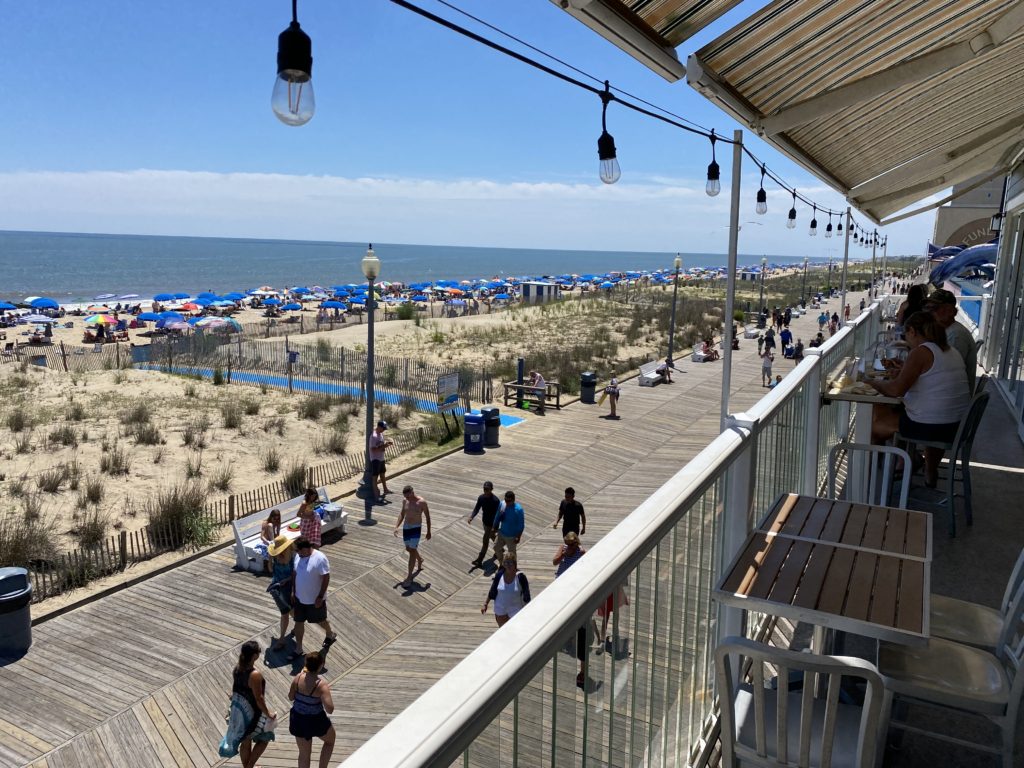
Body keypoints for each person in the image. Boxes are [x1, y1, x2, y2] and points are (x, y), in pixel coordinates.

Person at [868, 311, 969, 487]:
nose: (906, 341)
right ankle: (924, 467)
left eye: (906, 335)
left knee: (874, 426)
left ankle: (874, 484)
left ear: (913, 331)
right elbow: (932, 379)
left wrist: (871, 382)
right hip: (956, 426)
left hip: (932, 428)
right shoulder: (951, 350)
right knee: (889, 412)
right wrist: (903, 372)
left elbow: (895, 390)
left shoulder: (921, 352)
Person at [223, 641, 276, 768]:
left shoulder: (237, 668)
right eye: (259, 651)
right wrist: (268, 714)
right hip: (253, 714)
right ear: (254, 656)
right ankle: (249, 766)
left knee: (245, 742)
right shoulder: (255, 675)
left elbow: (237, 688)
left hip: (239, 712)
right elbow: (259, 699)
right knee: (266, 737)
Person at [552, 532, 590, 688]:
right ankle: (566, 636)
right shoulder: (563, 548)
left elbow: (589, 564)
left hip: (574, 588)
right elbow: (554, 562)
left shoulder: (581, 552)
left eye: (572, 544)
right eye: (568, 543)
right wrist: (562, 554)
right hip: (561, 586)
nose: (570, 546)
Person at [924, 288, 977, 394]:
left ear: (950, 310)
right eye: (927, 308)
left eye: (934, 308)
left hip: (951, 397)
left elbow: (947, 373)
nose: (929, 312)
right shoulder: (947, 330)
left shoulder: (956, 336)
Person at [288, 651, 336, 768]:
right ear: (321, 665)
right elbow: (330, 709)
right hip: (316, 720)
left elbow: (290, 697)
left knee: (304, 755)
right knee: (330, 741)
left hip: (298, 719)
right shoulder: (321, 685)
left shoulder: (298, 678)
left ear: (306, 664)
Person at [291, 538, 337, 658]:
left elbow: (326, 578)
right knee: (298, 622)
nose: (296, 553)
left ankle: (330, 634)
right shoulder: (298, 556)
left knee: (320, 621)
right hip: (299, 598)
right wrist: (293, 591)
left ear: (305, 548)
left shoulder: (320, 558)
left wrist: (320, 597)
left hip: (315, 599)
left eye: (298, 550)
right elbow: (295, 573)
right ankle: (299, 648)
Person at [394, 484, 431, 587]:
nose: (407, 498)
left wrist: (428, 531)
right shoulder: (405, 501)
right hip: (406, 527)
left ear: (412, 492)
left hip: (416, 528)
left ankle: (409, 577)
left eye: (408, 496)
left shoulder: (422, 503)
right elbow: (402, 513)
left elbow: (428, 517)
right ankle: (419, 559)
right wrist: (396, 526)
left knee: (412, 551)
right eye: (405, 497)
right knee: (409, 549)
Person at [480, 554, 531, 627]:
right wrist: (485, 604)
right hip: (500, 609)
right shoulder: (499, 574)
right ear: (503, 564)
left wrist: (528, 610)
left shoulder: (520, 576)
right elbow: (492, 591)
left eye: (510, 563)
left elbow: (527, 595)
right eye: (506, 563)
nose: (508, 565)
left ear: (514, 564)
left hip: (515, 609)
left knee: (515, 631)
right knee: (502, 632)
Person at [267, 535, 297, 650]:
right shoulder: (274, 556)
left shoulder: (294, 556)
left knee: (288, 611)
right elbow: (270, 570)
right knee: (286, 612)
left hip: (290, 587)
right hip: (278, 588)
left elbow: (296, 574)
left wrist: (287, 580)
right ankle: (284, 636)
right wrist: (270, 558)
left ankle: (284, 637)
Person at [467, 480, 500, 568]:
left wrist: (495, 526)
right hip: (485, 523)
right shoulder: (481, 498)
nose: (485, 491)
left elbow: (499, 514)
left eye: (487, 489)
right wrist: (471, 517)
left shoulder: (495, 501)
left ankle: (479, 560)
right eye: (484, 489)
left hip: (492, 525)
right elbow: (477, 508)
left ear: (491, 489)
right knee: (492, 536)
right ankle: (500, 550)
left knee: (485, 541)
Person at [492, 490, 525, 562]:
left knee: (512, 555)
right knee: (496, 548)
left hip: (512, 537)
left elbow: (521, 525)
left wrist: (518, 536)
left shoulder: (518, 510)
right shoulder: (502, 504)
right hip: (502, 533)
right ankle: (502, 563)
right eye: (505, 500)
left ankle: (514, 568)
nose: (506, 502)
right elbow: (497, 516)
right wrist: (494, 526)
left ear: (513, 500)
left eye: (508, 501)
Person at [369, 420, 394, 501]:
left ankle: (385, 489)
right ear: (379, 427)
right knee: (375, 477)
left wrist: (386, 444)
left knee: (382, 475)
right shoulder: (374, 436)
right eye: (383, 428)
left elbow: (380, 445)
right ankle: (376, 496)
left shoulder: (380, 434)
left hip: (381, 458)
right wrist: (385, 446)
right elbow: (373, 449)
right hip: (375, 459)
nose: (384, 430)